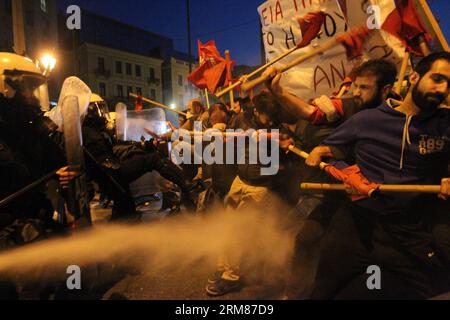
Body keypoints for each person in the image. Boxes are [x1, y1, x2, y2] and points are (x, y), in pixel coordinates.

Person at [306, 51, 450, 299]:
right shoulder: (365, 119)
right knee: (324, 290)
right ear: (414, 76)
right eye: (437, 78)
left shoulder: (446, 123)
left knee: (434, 284)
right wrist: (340, 168)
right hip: (355, 225)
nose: (443, 88)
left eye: (449, 84)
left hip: (408, 228)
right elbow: (325, 153)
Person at [81, 94, 200, 220]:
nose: (101, 114)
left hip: (109, 173)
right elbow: (106, 159)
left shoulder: (94, 131)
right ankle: (188, 186)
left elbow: (119, 145)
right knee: (154, 159)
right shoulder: (90, 133)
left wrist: (143, 145)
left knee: (126, 209)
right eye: (97, 109)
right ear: (89, 113)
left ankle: (126, 220)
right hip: (112, 174)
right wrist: (133, 157)